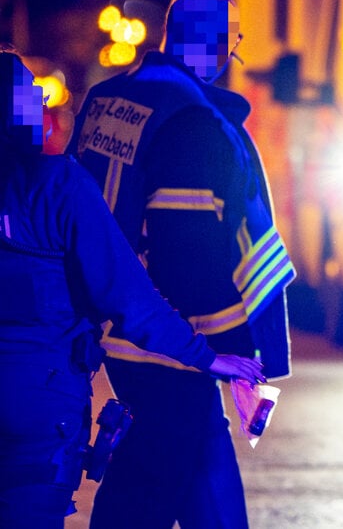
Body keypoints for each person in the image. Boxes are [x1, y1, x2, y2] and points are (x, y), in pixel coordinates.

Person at [0, 48, 265, 529]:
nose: (39, 99)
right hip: (38, 406)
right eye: (30, 92)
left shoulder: (98, 118)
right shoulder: (58, 185)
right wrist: (210, 355)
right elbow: (128, 296)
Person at [68, 0, 295, 529]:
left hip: (121, 329)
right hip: (167, 344)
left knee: (204, 475)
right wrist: (233, 360)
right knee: (141, 495)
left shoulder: (106, 100)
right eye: (233, 46)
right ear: (219, 46)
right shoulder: (194, 122)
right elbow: (191, 253)